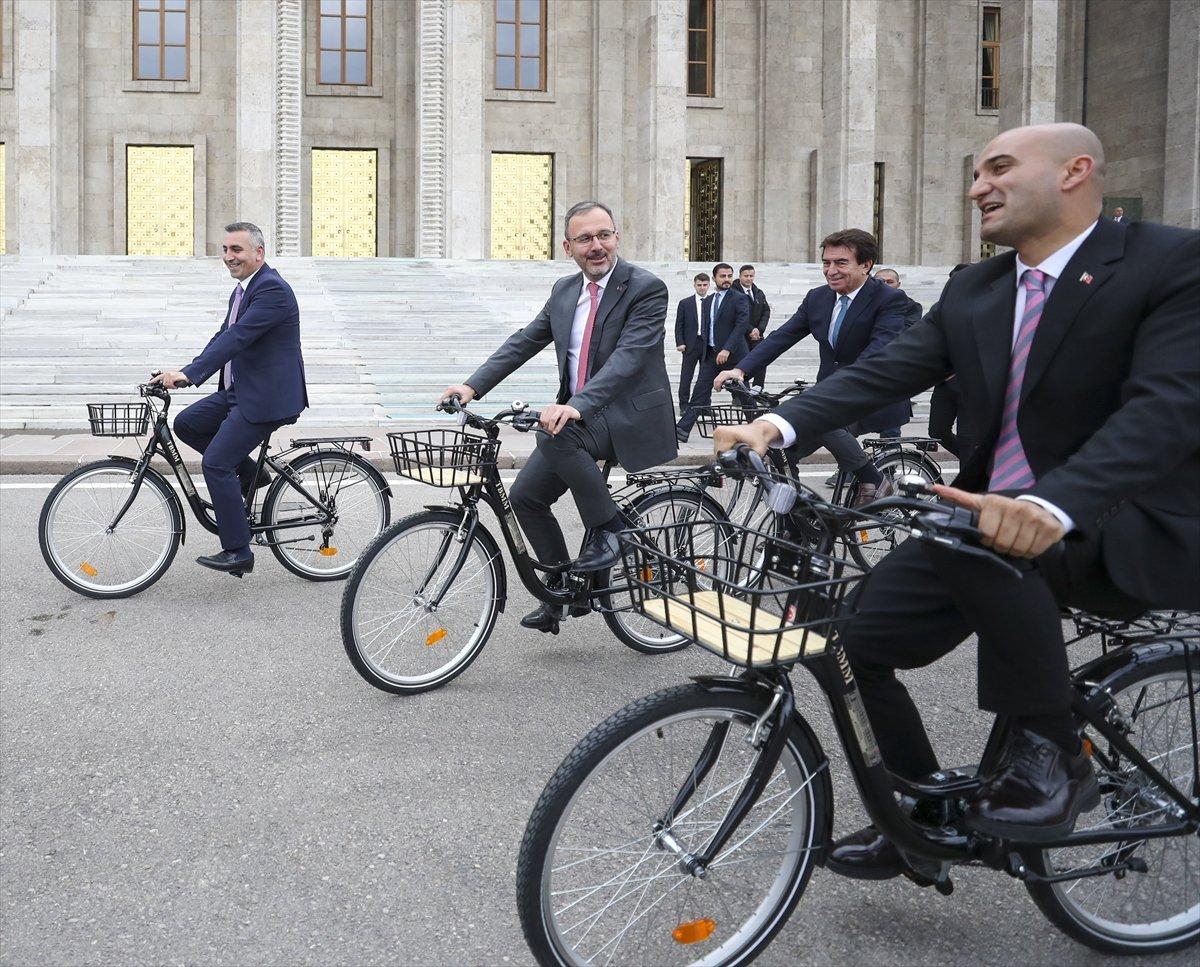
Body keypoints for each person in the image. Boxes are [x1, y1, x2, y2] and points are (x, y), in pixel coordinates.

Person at [714, 123, 1199, 872]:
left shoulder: (1169, 262)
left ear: (1074, 172)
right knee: (849, 636)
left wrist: (1050, 504)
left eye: (999, 168)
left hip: (1121, 518)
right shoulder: (977, 286)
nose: (977, 188)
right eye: (976, 174)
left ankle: (1056, 754)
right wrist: (775, 424)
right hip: (988, 521)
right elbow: (887, 370)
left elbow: (1164, 410)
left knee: (978, 539)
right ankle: (918, 816)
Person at [440, 201, 677, 632]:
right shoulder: (564, 291)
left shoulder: (646, 288)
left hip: (625, 413)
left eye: (604, 234)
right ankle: (565, 592)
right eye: (585, 238)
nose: (597, 245)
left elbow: (628, 359)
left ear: (617, 237)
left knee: (555, 434)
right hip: (582, 414)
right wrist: (471, 386)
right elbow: (525, 340)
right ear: (568, 247)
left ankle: (610, 530)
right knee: (525, 498)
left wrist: (577, 404)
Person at [151, 222, 308, 577]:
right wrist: (185, 372)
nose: (228, 257)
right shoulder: (242, 291)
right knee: (187, 423)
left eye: (236, 250)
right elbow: (223, 335)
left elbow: (238, 337)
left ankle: (238, 551)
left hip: (266, 398)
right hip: (240, 391)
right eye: (224, 250)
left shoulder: (272, 290)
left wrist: (192, 374)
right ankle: (254, 474)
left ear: (258, 253)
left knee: (217, 463)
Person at [715, 229, 910, 507]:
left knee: (822, 416)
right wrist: (741, 370)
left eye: (841, 263)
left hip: (872, 394)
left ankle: (874, 479)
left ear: (866, 265)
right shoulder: (817, 298)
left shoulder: (888, 299)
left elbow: (878, 351)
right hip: (831, 394)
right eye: (826, 263)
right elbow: (783, 336)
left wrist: (835, 388)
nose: (830, 270)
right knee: (780, 451)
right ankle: (796, 527)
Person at [675, 263, 752, 441]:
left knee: (743, 395)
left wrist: (727, 349)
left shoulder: (739, 298)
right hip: (710, 355)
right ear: (714, 278)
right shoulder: (708, 301)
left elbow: (741, 326)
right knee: (699, 392)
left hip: (734, 357)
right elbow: (707, 327)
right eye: (723, 276)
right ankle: (682, 431)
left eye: (729, 276)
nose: (727, 279)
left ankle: (759, 427)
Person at [674, 272, 711, 412]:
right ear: (694, 285)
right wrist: (680, 342)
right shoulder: (685, 303)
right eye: (699, 285)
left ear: (709, 285)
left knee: (706, 377)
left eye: (705, 285)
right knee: (686, 376)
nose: (702, 288)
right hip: (690, 343)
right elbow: (679, 324)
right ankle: (684, 405)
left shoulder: (713, 301)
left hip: (708, 344)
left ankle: (704, 405)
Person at [737, 265, 772, 387]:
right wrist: (750, 329)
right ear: (740, 276)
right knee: (742, 364)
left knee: (761, 360)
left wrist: (759, 329)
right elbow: (737, 316)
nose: (749, 278)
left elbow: (766, 312)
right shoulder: (733, 293)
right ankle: (740, 396)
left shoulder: (758, 292)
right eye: (746, 276)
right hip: (741, 336)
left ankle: (758, 390)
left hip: (757, 335)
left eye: (751, 276)